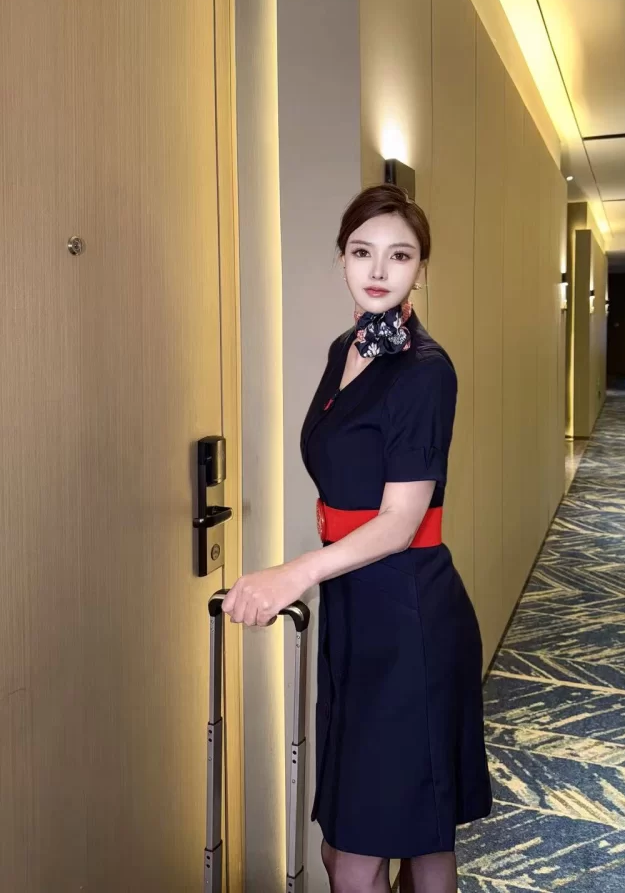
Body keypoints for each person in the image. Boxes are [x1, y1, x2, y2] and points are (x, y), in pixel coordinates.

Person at [222, 184, 492, 893]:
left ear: (421, 269)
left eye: (399, 255)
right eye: (362, 251)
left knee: (361, 854)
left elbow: (401, 521)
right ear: (341, 259)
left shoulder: (427, 371)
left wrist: (292, 573)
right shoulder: (345, 348)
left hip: (409, 616)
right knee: (392, 835)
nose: (378, 269)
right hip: (355, 607)